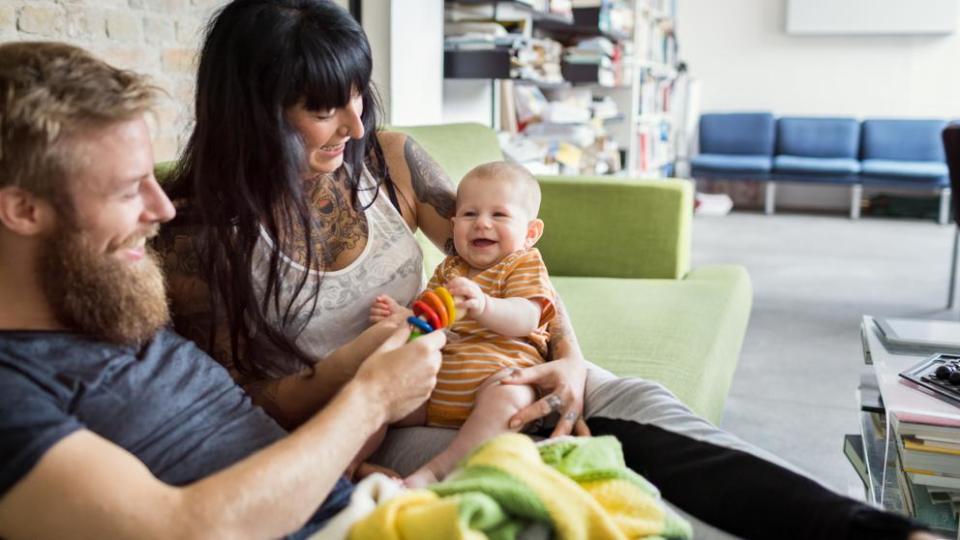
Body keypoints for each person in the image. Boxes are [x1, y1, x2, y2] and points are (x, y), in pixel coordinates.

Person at [161, 0, 935, 537]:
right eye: (325, 108)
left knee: (649, 409)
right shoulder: (199, 238)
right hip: (403, 418)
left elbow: (514, 257)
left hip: (505, 349)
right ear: (255, 110)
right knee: (587, 455)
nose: (359, 121)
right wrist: (368, 372)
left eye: (359, 94)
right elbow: (253, 407)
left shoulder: (386, 160)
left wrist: (566, 358)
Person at [0, 41, 446, 539]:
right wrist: (371, 397)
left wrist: (333, 467)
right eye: (128, 191)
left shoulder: (109, 300)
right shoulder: (16, 386)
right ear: (22, 210)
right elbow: (185, 528)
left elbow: (229, 438)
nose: (162, 209)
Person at [369, 161, 557, 487]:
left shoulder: (522, 263)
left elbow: (526, 317)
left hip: (498, 379)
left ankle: (436, 472)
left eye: (498, 215)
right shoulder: (449, 269)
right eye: (470, 214)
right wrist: (407, 317)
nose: (482, 223)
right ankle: (353, 463)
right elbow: (430, 315)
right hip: (438, 388)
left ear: (530, 233)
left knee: (509, 397)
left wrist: (484, 305)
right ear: (454, 224)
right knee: (384, 387)